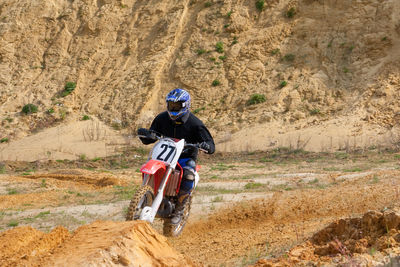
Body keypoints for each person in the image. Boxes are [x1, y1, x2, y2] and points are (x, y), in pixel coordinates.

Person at [138, 88, 215, 224]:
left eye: (177, 106)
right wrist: (146, 135)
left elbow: (210, 144)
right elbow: (151, 135)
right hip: (163, 156)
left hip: (185, 157)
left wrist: (206, 146)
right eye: (171, 105)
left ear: (185, 105)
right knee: (147, 167)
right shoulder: (162, 118)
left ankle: (179, 210)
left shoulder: (195, 123)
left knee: (188, 175)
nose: (173, 108)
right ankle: (144, 198)